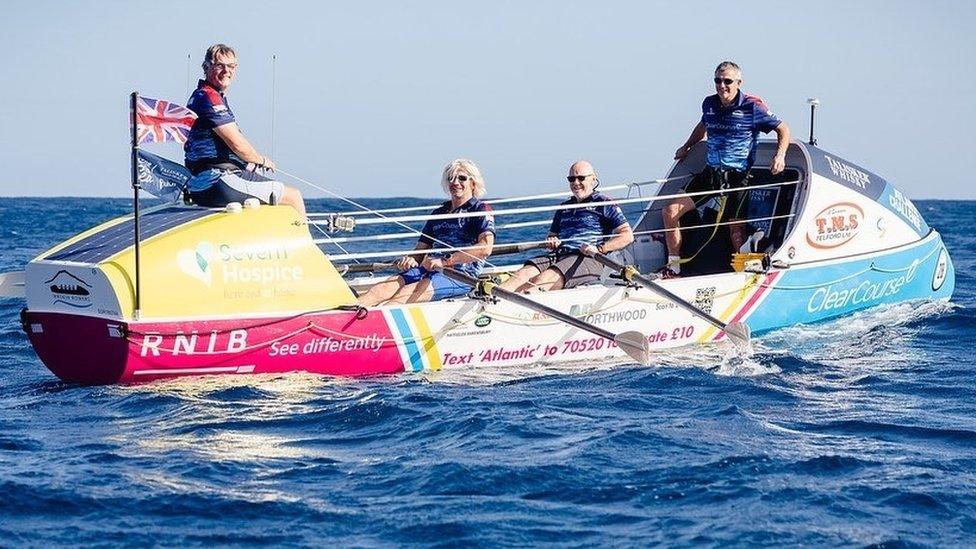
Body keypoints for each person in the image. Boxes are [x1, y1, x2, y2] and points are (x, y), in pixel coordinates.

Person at [663, 60, 791, 278]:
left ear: (739, 82)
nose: (722, 86)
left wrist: (780, 156)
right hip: (711, 174)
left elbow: (782, 129)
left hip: (738, 177)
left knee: (736, 231)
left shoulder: (752, 106)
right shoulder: (709, 104)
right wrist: (687, 146)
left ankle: (742, 274)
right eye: (718, 81)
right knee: (670, 211)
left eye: (728, 81)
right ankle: (674, 266)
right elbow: (703, 125)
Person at [183, 44, 306, 218]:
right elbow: (237, 144)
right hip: (218, 182)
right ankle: (305, 243)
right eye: (220, 65)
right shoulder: (209, 97)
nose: (226, 71)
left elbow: (219, 148)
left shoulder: (203, 95)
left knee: (259, 181)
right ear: (206, 67)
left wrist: (250, 164)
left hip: (201, 185)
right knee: (293, 196)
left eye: (231, 66)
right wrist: (261, 160)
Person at [357, 159, 496, 307]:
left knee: (407, 292)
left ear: (473, 183)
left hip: (460, 275)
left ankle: (376, 323)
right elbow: (420, 250)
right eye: (451, 178)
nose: (455, 182)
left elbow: (485, 248)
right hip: (428, 268)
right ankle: (345, 313)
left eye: (461, 178)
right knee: (384, 287)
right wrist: (411, 259)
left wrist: (445, 261)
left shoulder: (480, 210)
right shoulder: (439, 213)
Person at [500, 161, 633, 293]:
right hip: (558, 255)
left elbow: (627, 235)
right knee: (520, 276)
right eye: (571, 179)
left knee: (541, 281)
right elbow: (553, 234)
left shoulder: (604, 204)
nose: (576, 182)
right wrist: (552, 240)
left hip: (587, 258)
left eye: (581, 178)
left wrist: (600, 249)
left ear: (593, 179)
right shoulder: (564, 207)